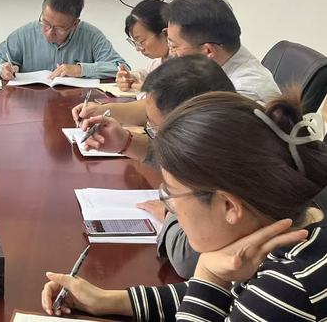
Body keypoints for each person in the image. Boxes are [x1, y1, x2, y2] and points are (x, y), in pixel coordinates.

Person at [42, 91, 327, 320]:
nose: (170, 208)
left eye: (172, 196)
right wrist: (109, 300)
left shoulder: (288, 286)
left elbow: (220, 289)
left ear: (229, 206)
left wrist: (208, 274)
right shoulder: (287, 227)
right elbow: (225, 295)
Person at [81, 55, 235, 278]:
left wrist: (169, 212)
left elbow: (187, 258)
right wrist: (125, 143)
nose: (154, 136)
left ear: (193, 125)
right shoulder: (228, 134)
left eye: (155, 129)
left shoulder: (230, 165)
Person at [0, 0, 125, 80]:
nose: (50, 32)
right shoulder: (25, 34)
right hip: (33, 105)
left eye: (59, 28)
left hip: (78, 105)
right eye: (45, 23)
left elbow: (120, 67)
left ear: (75, 24)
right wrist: (1, 68)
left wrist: (80, 70)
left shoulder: (91, 35)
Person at [166, 0, 280, 103]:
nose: (171, 53)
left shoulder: (240, 95)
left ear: (208, 51)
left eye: (173, 46)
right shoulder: (226, 53)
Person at [116, 0, 169, 92]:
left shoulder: (184, 65)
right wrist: (131, 78)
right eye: (135, 43)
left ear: (165, 33)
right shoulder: (161, 60)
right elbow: (146, 73)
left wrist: (148, 91)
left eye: (141, 41)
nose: (139, 49)